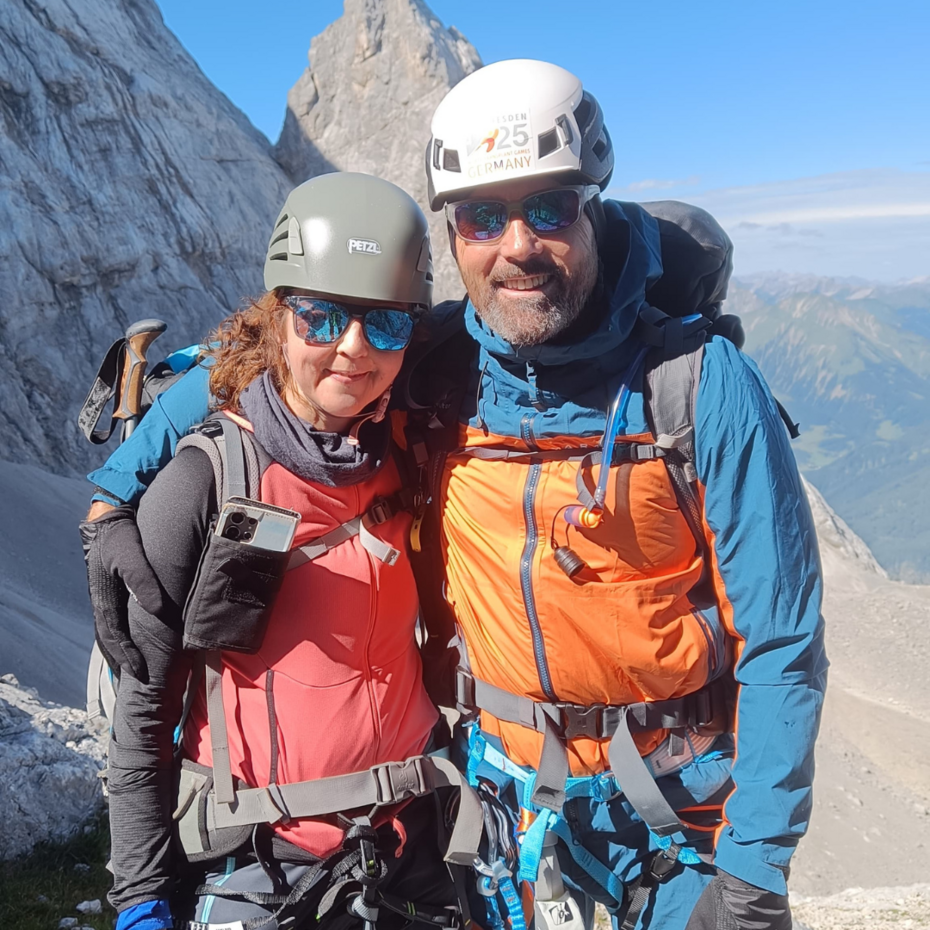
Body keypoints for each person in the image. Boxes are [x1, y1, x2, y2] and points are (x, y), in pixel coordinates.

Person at [83, 62, 826, 930]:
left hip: (674, 826)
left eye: (549, 206)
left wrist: (751, 880)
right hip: (499, 827)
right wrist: (113, 494)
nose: (517, 244)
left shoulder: (699, 386)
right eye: (483, 215)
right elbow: (265, 362)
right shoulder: (437, 359)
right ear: (453, 233)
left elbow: (782, 641)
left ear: (593, 206)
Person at [94, 172, 471, 930]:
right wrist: (140, 899)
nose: (352, 350)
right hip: (269, 862)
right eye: (321, 317)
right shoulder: (206, 481)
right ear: (280, 320)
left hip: (414, 848)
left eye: (385, 325)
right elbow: (142, 712)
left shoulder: (406, 448)